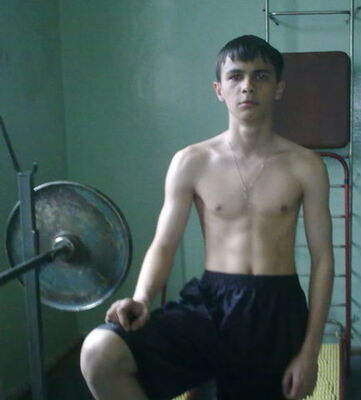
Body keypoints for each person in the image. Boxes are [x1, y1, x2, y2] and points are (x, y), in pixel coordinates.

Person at [80, 34, 334, 400]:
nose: (247, 86)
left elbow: (323, 260)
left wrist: (310, 352)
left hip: (276, 310)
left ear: (279, 88)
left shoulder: (305, 166)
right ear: (219, 90)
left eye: (261, 76)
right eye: (236, 76)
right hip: (211, 304)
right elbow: (164, 244)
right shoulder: (192, 161)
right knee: (100, 352)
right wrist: (141, 298)